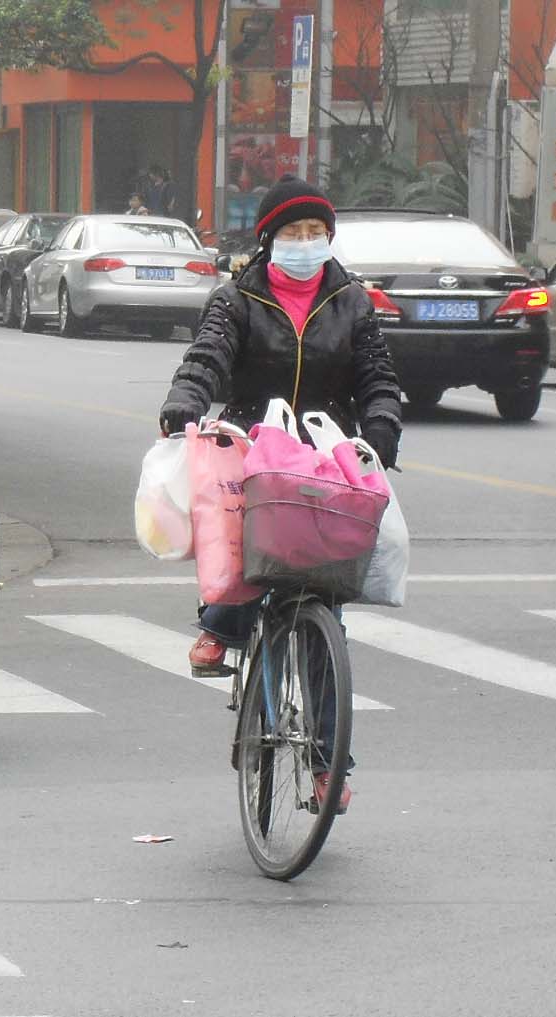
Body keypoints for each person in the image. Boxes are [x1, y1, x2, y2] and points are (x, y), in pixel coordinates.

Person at [157, 175, 403, 811]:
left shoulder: (351, 301)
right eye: (293, 234)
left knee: (325, 609)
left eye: (315, 233)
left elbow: (377, 375)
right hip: (252, 439)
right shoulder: (237, 299)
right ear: (269, 241)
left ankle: (328, 767)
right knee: (243, 546)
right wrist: (186, 399)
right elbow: (207, 356)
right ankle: (223, 623)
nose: (305, 244)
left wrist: (380, 426)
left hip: (325, 451)